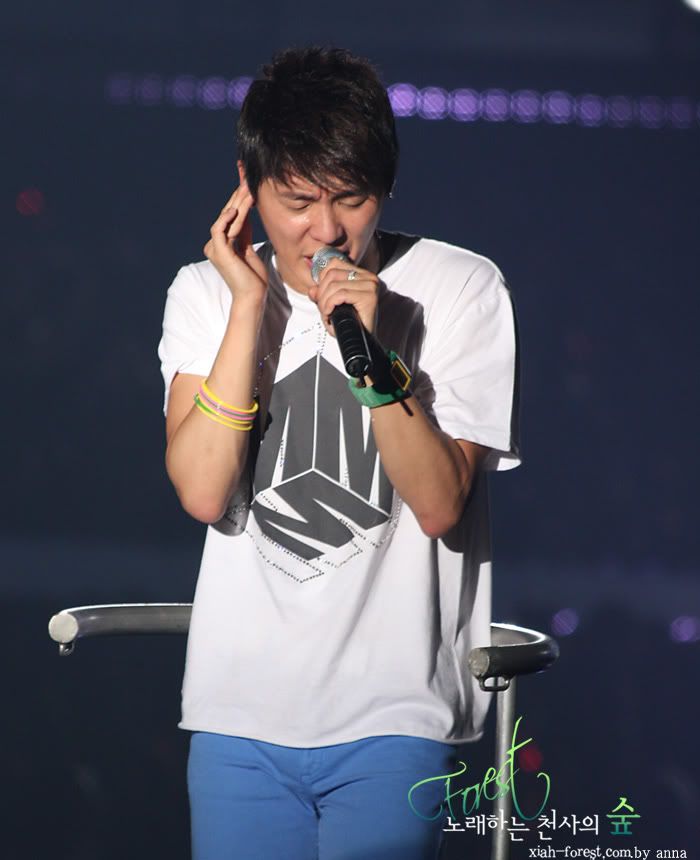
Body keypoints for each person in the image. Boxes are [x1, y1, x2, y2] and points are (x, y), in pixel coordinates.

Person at [158, 46, 520, 860]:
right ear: (248, 187)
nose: (326, 231)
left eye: (351, 199)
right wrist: (248, 307)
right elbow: (204, 491)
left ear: (385, 188)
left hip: (394, 716)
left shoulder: (460, 289)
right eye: (297, 202)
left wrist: (373, 347)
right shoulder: (205, 292)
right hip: (236, 716)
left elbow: (439, 503)